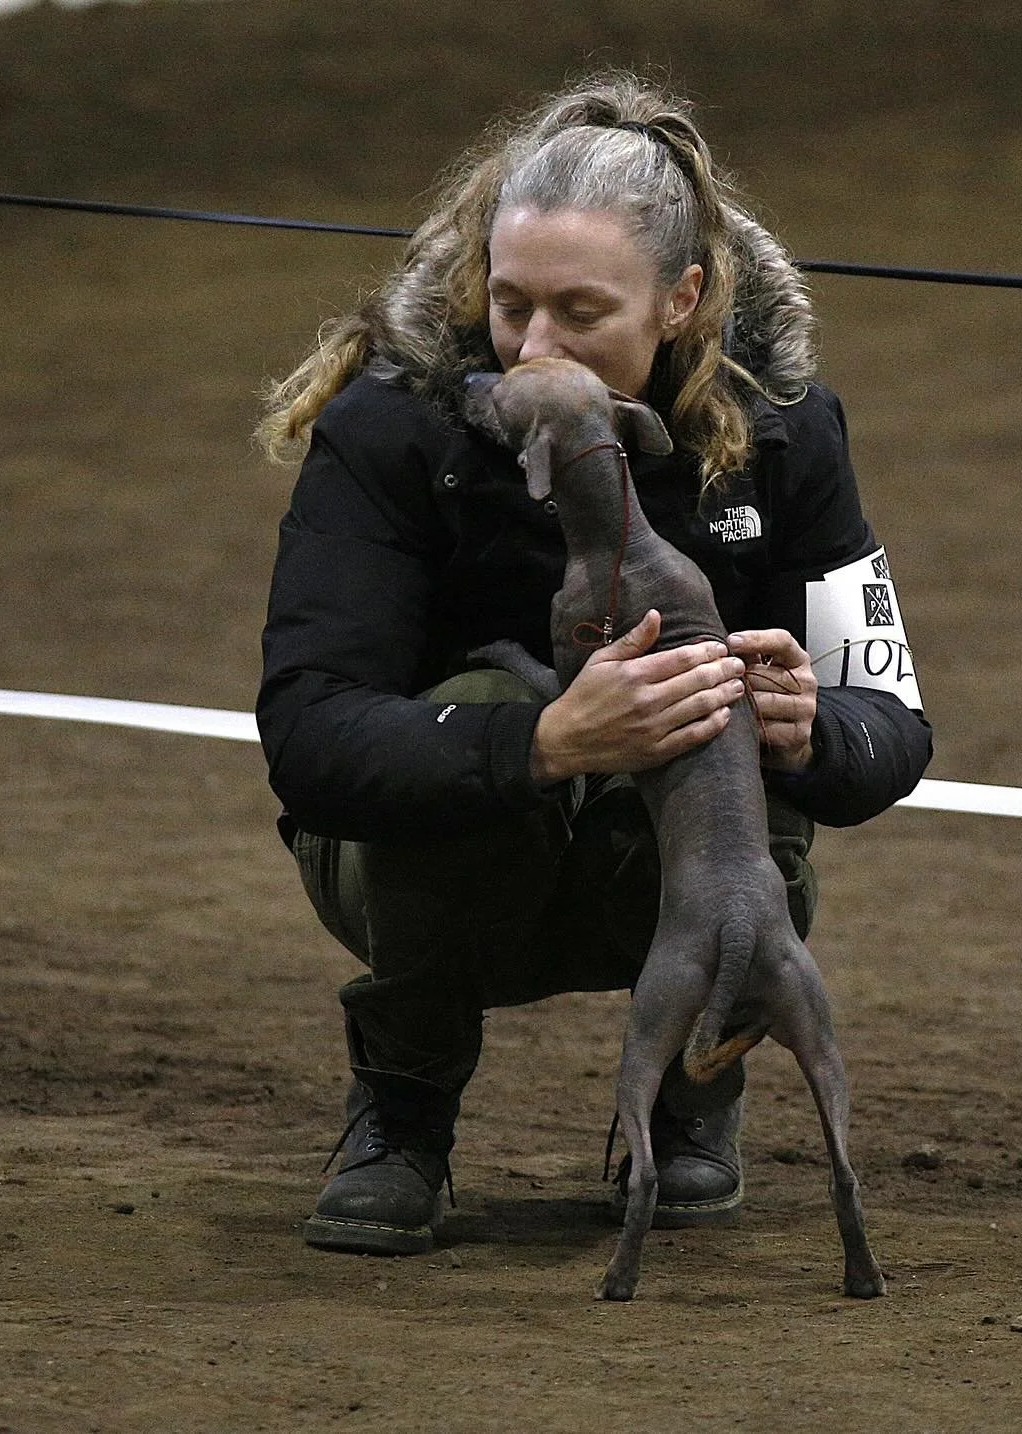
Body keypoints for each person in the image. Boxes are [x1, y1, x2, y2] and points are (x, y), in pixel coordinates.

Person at [255, 73, 932, 1256]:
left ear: (683, 297)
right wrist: (546, 740)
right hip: (423, 867)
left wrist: (809, 723)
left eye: (581, 312)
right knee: (481, 700)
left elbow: (894, 725)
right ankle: (403, 1119)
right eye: (510, 305)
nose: (533, 348)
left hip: (670, 872)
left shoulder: (784, 426)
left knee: (722, 725)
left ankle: (698, 1091)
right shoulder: (392, 424)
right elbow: (309, 735)